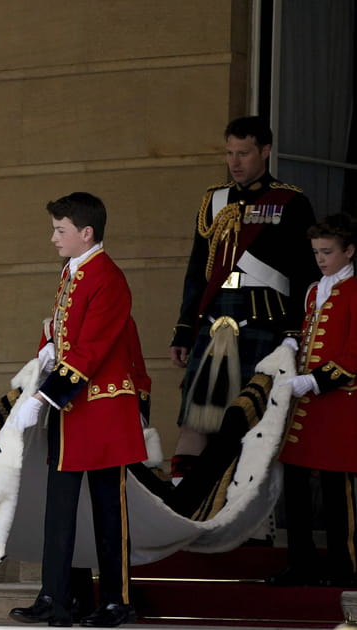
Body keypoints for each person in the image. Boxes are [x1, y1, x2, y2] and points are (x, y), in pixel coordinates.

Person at [7, 192, 147, 628]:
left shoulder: (108, 276)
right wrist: (46, 347)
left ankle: (116, 601)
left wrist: (43, 396)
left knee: (108, 510)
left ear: (86, 232)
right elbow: (62, 331)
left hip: (102, 409)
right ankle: (56, 595)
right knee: (59, 506)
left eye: (60, 230)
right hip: (72, 408)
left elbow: (92, 349)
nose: (53, 238)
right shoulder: (73, 271)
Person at [169, 116, 318, 480]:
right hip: (213, 318)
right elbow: (197, 270)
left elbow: (304, 274)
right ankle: (184, 502)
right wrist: (184, 328)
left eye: (244, 153)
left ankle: (243, 506)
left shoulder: (291, 201)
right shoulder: (214, 200)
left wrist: (294, 333)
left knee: (252, 419)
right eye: (230, 153)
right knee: (195, 418)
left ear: (265, 151)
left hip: (264, 319)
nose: (234, 162)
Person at [269, 213, 357, 587]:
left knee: (338, 491)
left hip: (339, 404)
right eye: (316, 252)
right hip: (306, 408)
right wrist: (292, 347)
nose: (320, 259)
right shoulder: (313, 290)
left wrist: (314, 380)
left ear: (349, 251)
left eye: (327, 252)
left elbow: (353, 355)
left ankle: (346, 566)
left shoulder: (354, 291)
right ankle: (300, 562)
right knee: (296, 484)